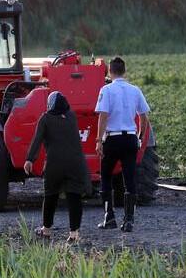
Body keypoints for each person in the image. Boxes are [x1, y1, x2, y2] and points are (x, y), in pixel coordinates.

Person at [23, 91, 89, 243]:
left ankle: (46, 230)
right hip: (75, 163)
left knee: (51, 196)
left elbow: (37, 140)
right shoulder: (71, 116)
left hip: (54, 164)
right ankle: (74, 234)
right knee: (74, 197)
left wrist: (29, 160)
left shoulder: (45, 119)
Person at [94, 56, 150, 232]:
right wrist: (139, 136)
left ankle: (109, 216)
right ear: (125, 71)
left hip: (112, 138)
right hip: (130, 138)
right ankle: (129, 220)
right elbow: (144, 117)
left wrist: (98, 140)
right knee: (129, 179)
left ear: (110, 72)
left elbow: (103, 116)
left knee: (106, 176)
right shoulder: (135, 90)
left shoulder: (106, 90)